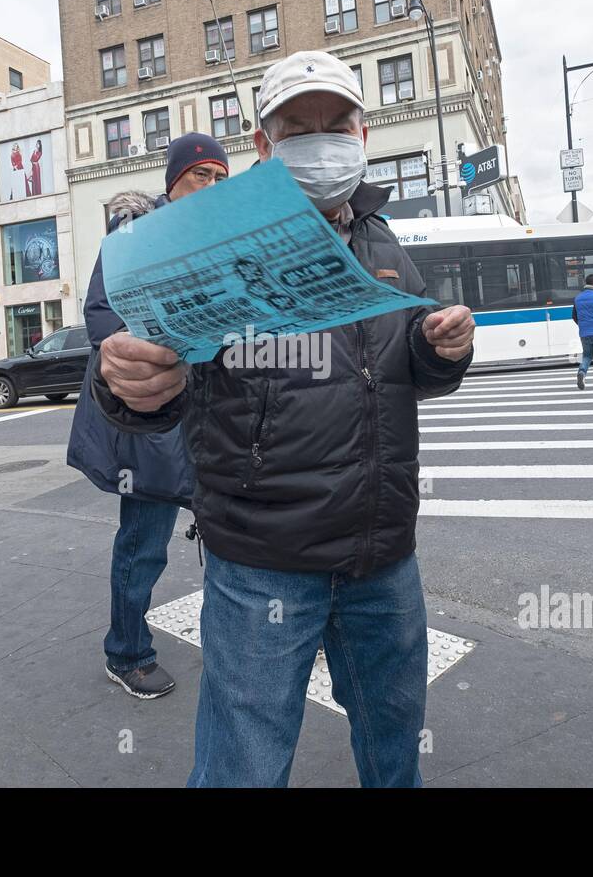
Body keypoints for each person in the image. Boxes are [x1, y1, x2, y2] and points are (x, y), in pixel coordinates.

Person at [92, 51, 476, 786]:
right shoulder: (208, 244)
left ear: (362, 135)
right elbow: (150, 374)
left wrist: (439, 349)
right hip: (262, 562)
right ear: (264, 147)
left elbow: (405, 364)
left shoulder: (384, 241)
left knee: (395, 747)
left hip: (384, 552)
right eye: (298, 127)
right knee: (245, 765)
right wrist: (126, 386)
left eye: (337, 124)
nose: (322, 140)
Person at [67, 132, 229, 699]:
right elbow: (101, 315)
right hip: (153, 422)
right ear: (173, 181)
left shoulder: (224, 240)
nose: (210, 187)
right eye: (200, 176)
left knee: (234, 543)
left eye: (219, 179)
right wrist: (136, 359)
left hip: (214, 419)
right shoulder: (135, 233)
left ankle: (236, 647)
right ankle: (127, 652)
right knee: (144, 545)